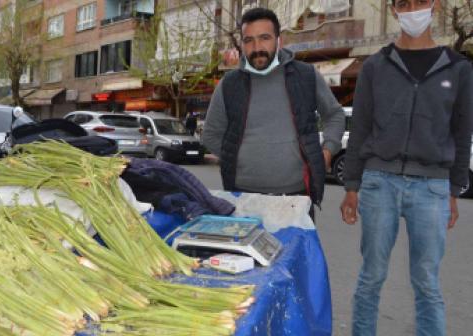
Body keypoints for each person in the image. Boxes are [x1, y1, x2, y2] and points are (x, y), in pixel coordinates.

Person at [340, 1, 473, 335]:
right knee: (371, 277)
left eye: (420, 1)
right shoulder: (375, 66)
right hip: (378, 182)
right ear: (395, 10)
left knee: (427, 282)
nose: (413, 9)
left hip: (432, 188)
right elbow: (361, 127)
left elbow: (462, 130)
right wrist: (352, 186)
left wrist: (454, 190)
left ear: (435, 6)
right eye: (403, 3)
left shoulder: (458, 69)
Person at [202, 7, 345, 214]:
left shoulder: (305, 76)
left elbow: (334, 114)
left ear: (279, 41)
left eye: (264, 38)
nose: (257, 47)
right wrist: (240, 158)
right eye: (248, 40)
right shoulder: (229, 84)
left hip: (296, 197)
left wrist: (328, 150)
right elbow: (211, 134)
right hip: (242, 198)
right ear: (242, 44)